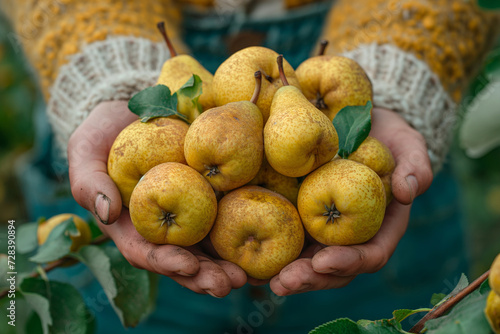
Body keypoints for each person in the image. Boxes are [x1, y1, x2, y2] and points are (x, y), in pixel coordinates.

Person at [2, 0, 499, 332]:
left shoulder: (295, 121)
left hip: (355, 221)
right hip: (161, 179)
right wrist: (112, 72)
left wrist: (397, 72)